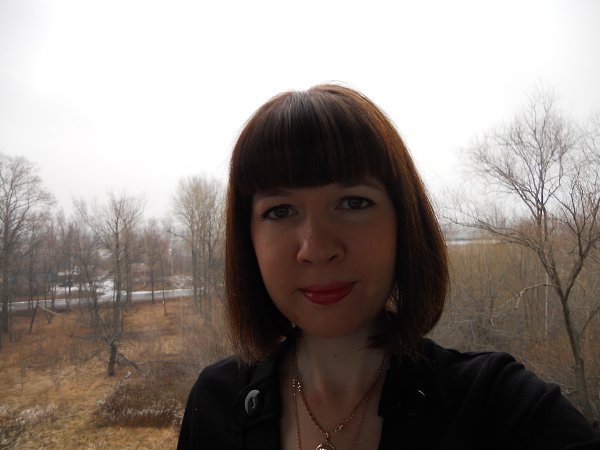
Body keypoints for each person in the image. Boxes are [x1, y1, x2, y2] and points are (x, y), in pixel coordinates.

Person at [178, 84, 599, 449]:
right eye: (280, 210)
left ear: (404, 224)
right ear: (248, 241)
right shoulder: (214, 406)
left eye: (353, 203)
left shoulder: (499, 406)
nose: (316, 249)